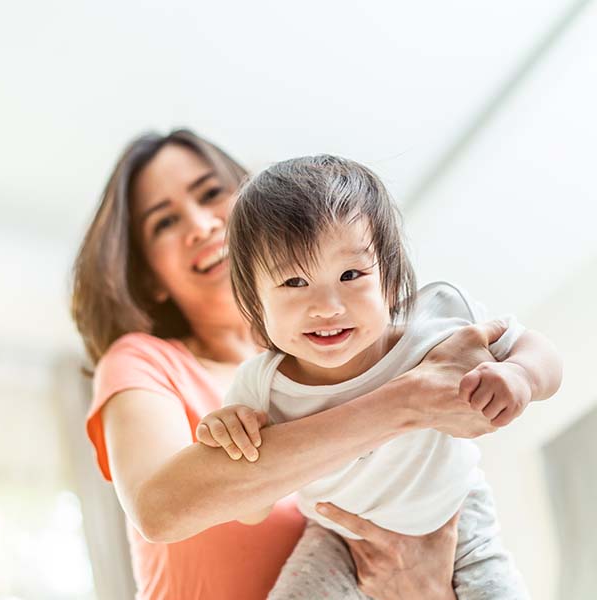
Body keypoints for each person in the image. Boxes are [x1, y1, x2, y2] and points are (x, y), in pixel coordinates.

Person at [69, 129, 555, 600]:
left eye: (211, 192)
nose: (200, 225)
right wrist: (409, 402)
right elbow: (160, 512)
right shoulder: (186, 371)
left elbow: (530, 353)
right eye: (164, 223)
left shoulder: (409, 332)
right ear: (150, 278)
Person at [195, 154, 563, 599]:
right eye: (294, 282)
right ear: (254, 300)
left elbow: (539, 349)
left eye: (350, 274)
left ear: (388, 278)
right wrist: (230, 435)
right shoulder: (259, 386)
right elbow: (252, 510)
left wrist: (521, 374)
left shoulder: (435, 325)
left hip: (457, 515)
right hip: (337, 539)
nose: (327, 307)